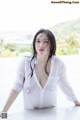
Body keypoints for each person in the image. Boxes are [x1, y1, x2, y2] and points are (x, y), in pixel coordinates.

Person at [1, 28, 80, 114]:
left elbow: (65, 84)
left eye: (45, 42)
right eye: (38, 41)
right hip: (30, 115)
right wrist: (3, 112)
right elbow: (16, 87)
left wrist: (76, 102)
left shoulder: (58, 63)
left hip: (51, 114)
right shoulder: (25, 63)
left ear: (52, 45)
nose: (41, 45)